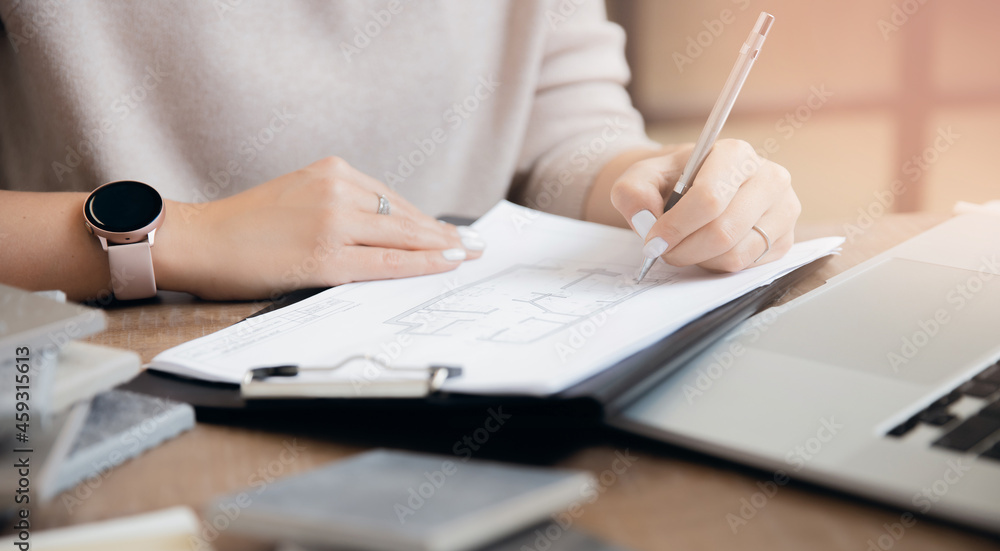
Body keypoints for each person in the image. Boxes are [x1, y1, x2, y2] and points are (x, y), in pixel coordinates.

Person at [0, 1, 799, 303]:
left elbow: (565, 123)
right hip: (95, 369)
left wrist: (650, 180)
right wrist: (184, 237)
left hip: (454, 369)